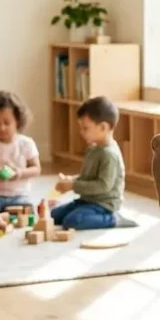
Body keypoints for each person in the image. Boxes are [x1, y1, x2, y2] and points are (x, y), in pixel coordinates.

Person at [52, 96, 124, 230]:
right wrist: (71, 179)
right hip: (87, 200)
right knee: (54, 215)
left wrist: (73, 185)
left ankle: (112, 219)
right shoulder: (93, 149)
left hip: (103, 205)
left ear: (103, 127)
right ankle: (82, 211)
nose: (81, 132)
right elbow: (87, 177)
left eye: (85, 128)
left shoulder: (109, 155)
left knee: (72, 222)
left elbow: (103, 186)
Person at [0, 90, 42, 212]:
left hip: (19, 195)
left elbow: (36, 169)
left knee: (27, 209)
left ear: (17, 120)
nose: (2, 128)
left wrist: (19, 173)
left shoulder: (26, 143)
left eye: (7, 123)